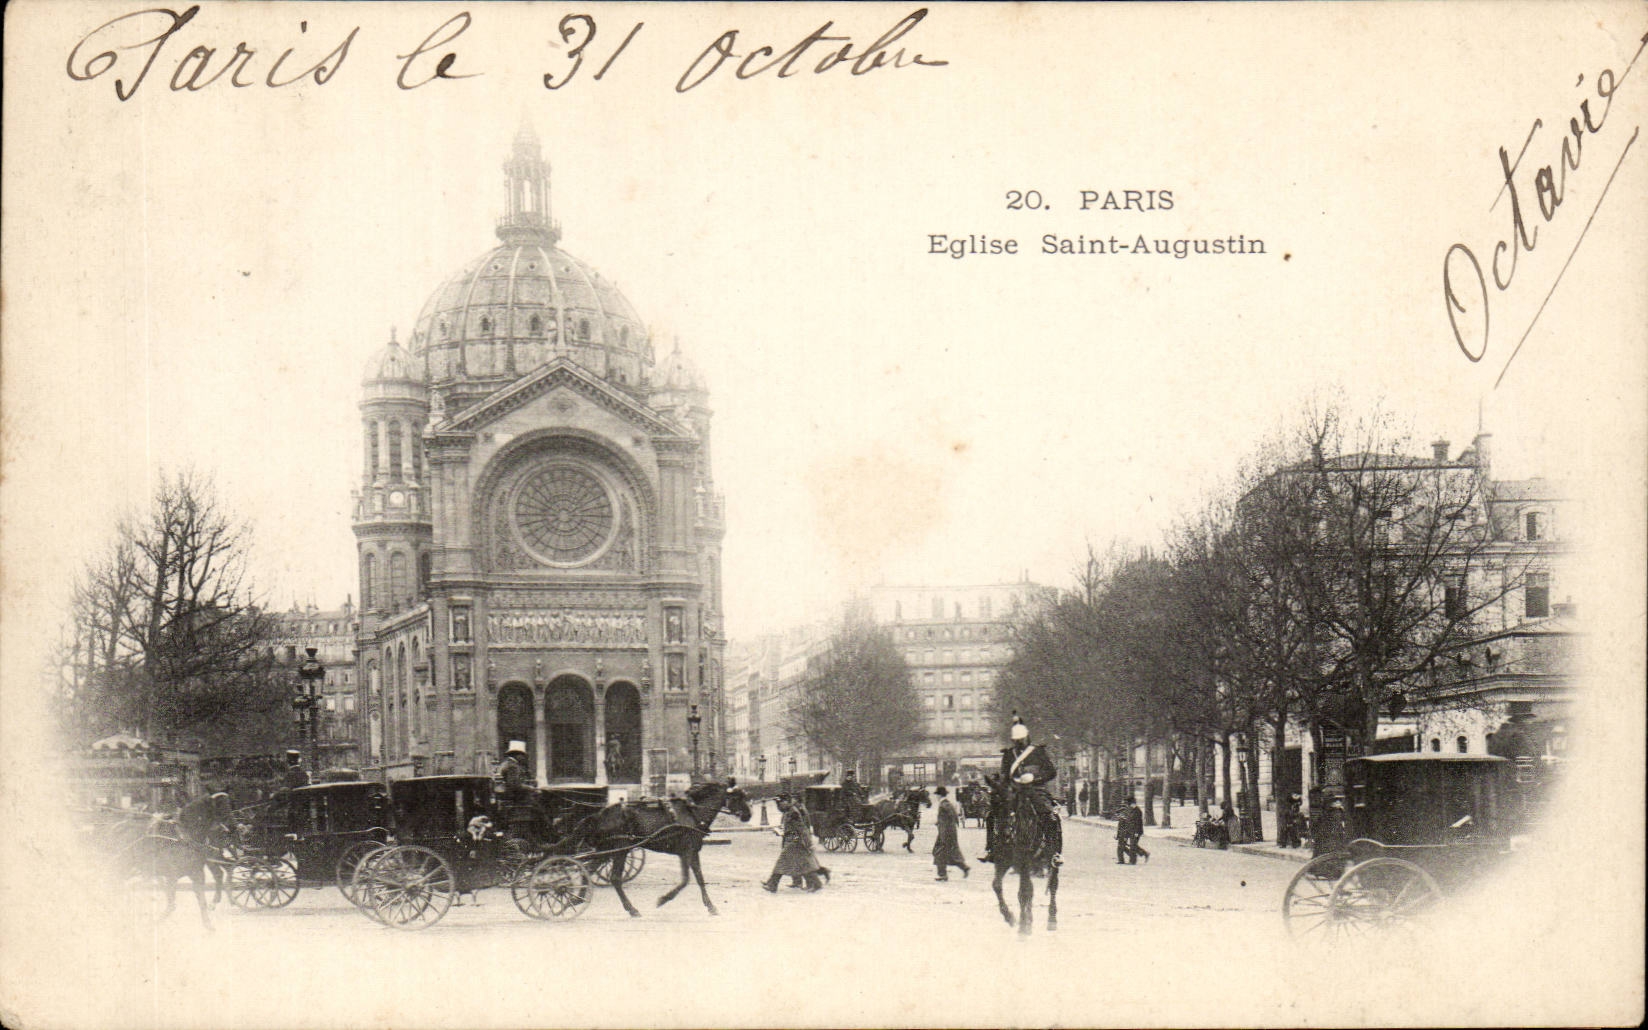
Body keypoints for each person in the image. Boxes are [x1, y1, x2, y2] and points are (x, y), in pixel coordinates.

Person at [982, 715, 1062, 867]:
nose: (1019, 743)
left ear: (1027, 738)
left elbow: (1051, 772)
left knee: (1049, 816)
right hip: (1015, 790)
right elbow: (1005, 774)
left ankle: (1054, 853)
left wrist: (1035, 778)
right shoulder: (1008, 754)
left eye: (1022, 740)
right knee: (992, 815)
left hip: (1036, 789)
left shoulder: (1038, 752)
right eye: (1016, 741)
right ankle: (991, 848)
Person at [763, 795, 830, 893]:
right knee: (804, 865)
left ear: (786, 802)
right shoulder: (789, 811)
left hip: (795, 841)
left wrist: (806, 842)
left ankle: (772, 885)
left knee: (782, 863)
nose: (779, 806)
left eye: (780, 803)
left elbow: (801, 828)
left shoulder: (793, 812)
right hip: (794, 840)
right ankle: (817, 883)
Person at [931, 786, 969, 881]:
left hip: (945, 833)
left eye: (937, 795)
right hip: (948, 832)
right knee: (949, 853)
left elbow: (950, 817)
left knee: (939, 852)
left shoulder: (944, 804)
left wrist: (944, 833)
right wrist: (939, 823)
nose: (936, 797)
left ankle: (943, 875)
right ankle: (963, 867)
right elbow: (953, 817)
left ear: (940, 795)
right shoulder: (947, 804)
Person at [1117, 797, 1149, 864]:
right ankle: (1144, 853)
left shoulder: (1138, 811)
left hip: (1136, 831)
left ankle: (1132, 861)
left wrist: (1137, 832)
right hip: (1130, 830)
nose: (1131, 806)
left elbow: (1139, 822)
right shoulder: (1129, 810)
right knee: (1129, 845)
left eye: (1131, 804)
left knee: (1133, 845)